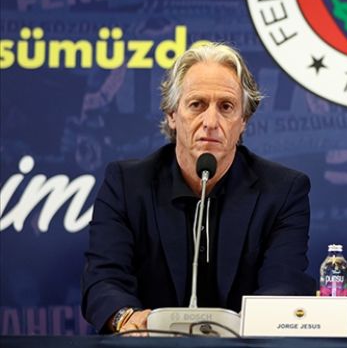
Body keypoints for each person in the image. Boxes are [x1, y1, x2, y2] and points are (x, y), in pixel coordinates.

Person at [81, 43, 316, 334]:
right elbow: (103, 279)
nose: (211, 122)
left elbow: (283, 283)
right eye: (197, 105)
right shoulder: (126, 185)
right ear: (172, 114)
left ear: (243, 120)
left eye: (226, 107)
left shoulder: (283, 191)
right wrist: (126, 318)